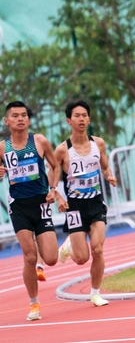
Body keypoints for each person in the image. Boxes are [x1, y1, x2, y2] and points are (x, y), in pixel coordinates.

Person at [0, 101, 63, 321]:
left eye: (24, 115)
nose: (20, 119)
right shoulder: (2, 147)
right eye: (15, 116)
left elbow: (55, 166)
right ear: (7, 121)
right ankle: (34, 304)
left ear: (28, 119)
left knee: (51, 258)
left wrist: (54, 189)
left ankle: (58, 249)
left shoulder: (40, 141)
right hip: (18, 206)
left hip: (41, 204)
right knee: (29, 256)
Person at [53, 100, 117, 307]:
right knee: (81, 258)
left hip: (96, 204)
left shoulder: (98, 143)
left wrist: (109, 176)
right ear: (68, 121)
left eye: (84, 115)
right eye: (77, 116)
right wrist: (58, 196)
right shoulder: (62, 150)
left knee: (98, 250)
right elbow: (50, 177)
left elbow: (105, 167)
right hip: (75, 208)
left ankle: (95, 293)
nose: (81, 119)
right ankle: (70, 244)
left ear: (89, 119)